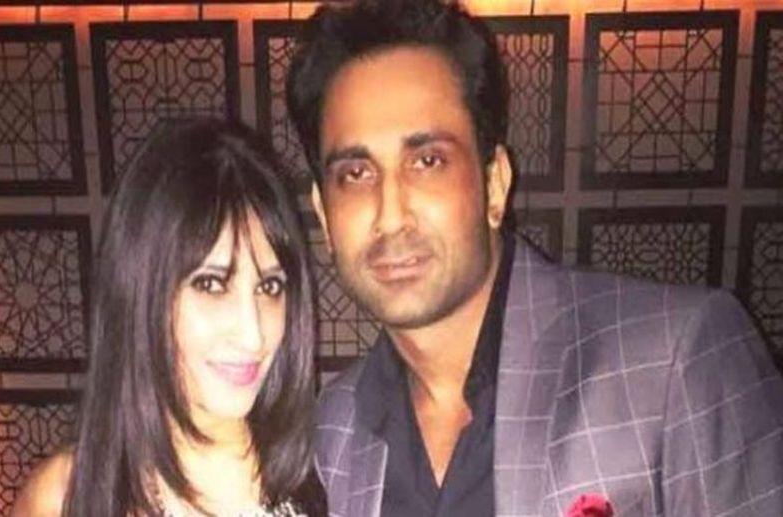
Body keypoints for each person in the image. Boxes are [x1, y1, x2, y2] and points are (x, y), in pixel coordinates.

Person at [285, 0, 783, 515]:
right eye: (355, 175)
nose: (390, 216)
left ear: (495, 184)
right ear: (323, 212)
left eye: (428, 161)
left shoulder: (673, 358)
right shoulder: (335, 428)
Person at [12, 118, 326, 516]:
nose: (253, 335)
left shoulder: (326, 464)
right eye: (211, 284)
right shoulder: (68, 494)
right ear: (141, 292)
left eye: (269, 287)